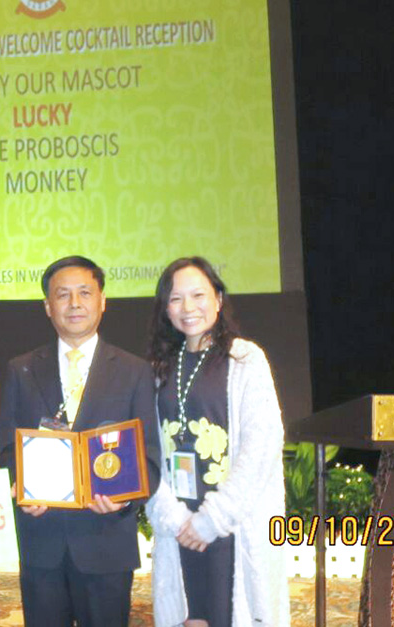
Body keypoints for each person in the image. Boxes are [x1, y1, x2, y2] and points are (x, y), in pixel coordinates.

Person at [0, 256, 160, 626]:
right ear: (47, 306)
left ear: (102, 301)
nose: (74, 304)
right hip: (41, 541)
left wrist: (123, 498)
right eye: (63, 295)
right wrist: (20, 488)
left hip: (105, 542)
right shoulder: (21, 369)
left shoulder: (134, 372)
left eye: (85, 293)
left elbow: (149, 454)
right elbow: (7, 446)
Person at [144, 257, 289, 627]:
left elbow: (261, 446)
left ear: (219, 299)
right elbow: (149, 449)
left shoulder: (245, 359)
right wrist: (175, 517)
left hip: (230, 524)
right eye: (176, 299)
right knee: (190, 618)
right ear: (165, 308)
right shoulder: (161, 366)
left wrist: (213, 518)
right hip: (180, 524)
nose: (188, 308)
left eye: (198, 295)